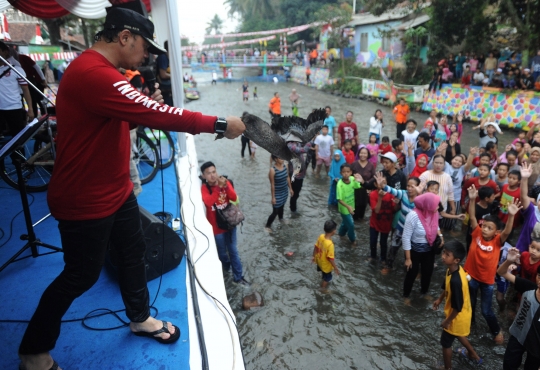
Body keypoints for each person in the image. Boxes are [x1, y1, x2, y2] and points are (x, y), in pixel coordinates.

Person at [17, 8, 246, 370]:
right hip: (84, 198)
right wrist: (219, 123)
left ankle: (139, 318)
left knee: (133, 251)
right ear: (125, 37)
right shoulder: (94, 74)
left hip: (115, 189)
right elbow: (159, 113)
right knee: (80, 274)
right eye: (144, 46)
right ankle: (33, 350)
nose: (147, 56)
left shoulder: (104, 72)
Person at [465, 184, 520, 345]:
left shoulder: (497, 241)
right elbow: (473, 218)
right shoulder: (476, 234)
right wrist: (473, 200)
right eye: (484, 226)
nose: (484, 229)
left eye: (489, 228)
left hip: (487, 282)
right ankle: (470, 324)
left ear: (496, 232)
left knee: (486, 310)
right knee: (471, 304)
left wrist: (510, 216)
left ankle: (496, 331)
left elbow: (507, 232)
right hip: (471, 277)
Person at [432, 241, 483, 369]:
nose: (443, 256)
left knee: (446, 343)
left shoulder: (456, 281)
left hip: (456, 316)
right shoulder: (454, 269)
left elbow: (457, 307)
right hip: (463, 313)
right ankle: (473, 355)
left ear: (456, 260)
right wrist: (439, 299)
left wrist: (447, 322)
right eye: (444, 253)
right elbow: (446, 288)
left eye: (447, 254)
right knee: (458, 334)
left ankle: (448, 368)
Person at [201, 162, 248, 286]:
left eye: (214, 172)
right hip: (216, 228)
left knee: (233, 250)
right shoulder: (205, 188)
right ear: (204, 176)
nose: (212, 175)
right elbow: (209, 203)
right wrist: (217, 188)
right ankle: (227, 269)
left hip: (229, 223)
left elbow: (233, 197)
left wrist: (226, 186)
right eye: (209, 173)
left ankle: (238, 277)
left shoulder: (225, 182)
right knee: (222, 253)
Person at [497, 248, 540, 370]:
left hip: (537, 346)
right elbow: (501, 272)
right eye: (539, 276)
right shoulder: (529, 287)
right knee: (509, 365)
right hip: (518, 336)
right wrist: (508, 261)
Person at [402, 192, 443, 303]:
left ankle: (424, 292)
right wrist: (408, 258)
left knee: (427, 272)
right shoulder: (413, 215)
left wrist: (441, 236)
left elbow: (436, 225)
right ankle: (406, 296)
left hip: (429, 249)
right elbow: (406, 237)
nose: (438, 207)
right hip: (414, 250)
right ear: (427, 205)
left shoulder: (433, 213)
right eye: (436, 205)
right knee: (411, 273)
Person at [0, 41, 34, 138]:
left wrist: (30, 109)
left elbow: (26, 90)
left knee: (17, 138)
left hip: (14, 108)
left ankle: (18, 153)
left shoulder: (16, 69)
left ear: (5, 52)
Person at [368, 176, 395, 272]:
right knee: (373, 241)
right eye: (379, 182)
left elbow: (394, 209)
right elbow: (376, 210)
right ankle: (373, 256)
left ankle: (383, 258)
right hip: (374, 222)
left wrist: (397, 203)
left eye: (384, 182)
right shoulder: (373, 195)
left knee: (384, 242)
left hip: (386, 222)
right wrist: (380, 198)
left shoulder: (391, 194)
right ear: (375, 184)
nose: (382, 184)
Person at [337, 164, 363, 246]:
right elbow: (339, 199)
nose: (346, 174)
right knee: (351, 224)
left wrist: (356, 180)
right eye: (344, 172)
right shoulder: (339, 184)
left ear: (351, 172)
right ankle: (353, 240)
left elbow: (357, 187)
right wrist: (347, 207)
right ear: (341, 173)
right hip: (344, 208)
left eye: (348, 172)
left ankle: (340, 234)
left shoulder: (352, 179)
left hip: (351, 205)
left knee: (346, 222)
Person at [265, 155, 293, 231]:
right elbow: (272, 185)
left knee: (282, 206)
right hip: (277, 193)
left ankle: (281, 219)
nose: (282, 159)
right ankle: (267, 226)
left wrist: (290, 188)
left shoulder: (285, 165)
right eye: (280, 158)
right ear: (276, 159)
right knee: (275, 212)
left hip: (284, 191)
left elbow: (287, 177)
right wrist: (273, 197)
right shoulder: (272, 170)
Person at [312, 220, 340, 289]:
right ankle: (322, 288)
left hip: (319, 261)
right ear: (333, 231)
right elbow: (330, 258)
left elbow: (316, 247)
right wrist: (336, 268)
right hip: (326, 266)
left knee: (323, 273)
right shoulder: (330, 245)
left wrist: (313, 256)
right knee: (328, 278)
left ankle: (322, 278)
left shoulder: (321, 236)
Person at [351, 147, 376, 220]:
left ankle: (360, 222)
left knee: (363, 207)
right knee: (354, 208)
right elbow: (349, 175)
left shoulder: (371, 165)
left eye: (365, 153)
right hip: (355, 190)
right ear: (358, 154)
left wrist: (368, 184)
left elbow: (374, 177)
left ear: (368, 155)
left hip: (365, 190)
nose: (363, 155)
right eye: (361, 153)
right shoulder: (354, 164)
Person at [156, 40, 173, 106]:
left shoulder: (165, 56)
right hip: (163, 86)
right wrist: (173, 76)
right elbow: (163, 75)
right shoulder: (163, 57)